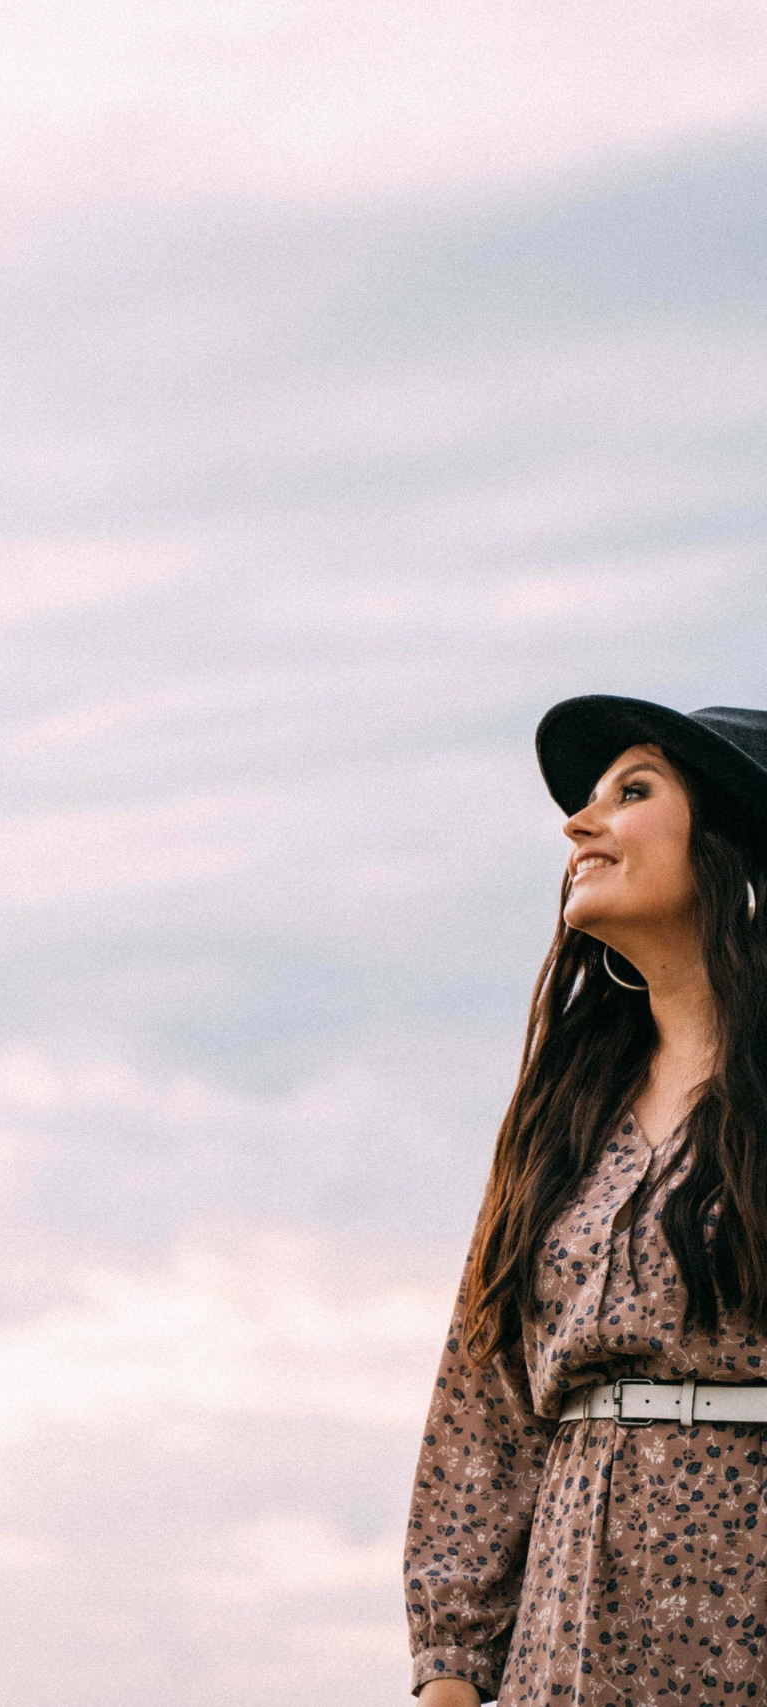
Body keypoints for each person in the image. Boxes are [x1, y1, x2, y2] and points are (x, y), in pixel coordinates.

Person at [404, 697, 767, 1704]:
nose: (578, 823)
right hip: (562, 1639)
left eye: (632, 792)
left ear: (733, 845)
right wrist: (449, 1672)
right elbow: (479, 1412)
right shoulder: (561, 1118)